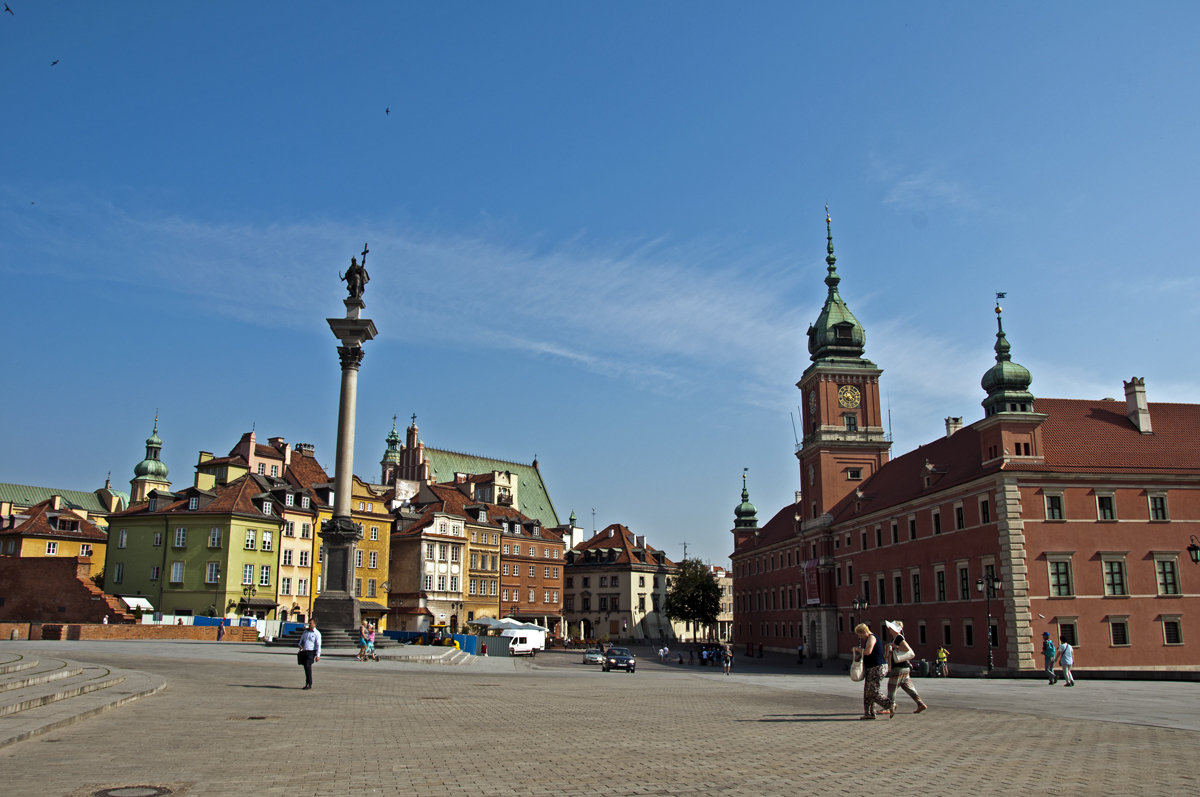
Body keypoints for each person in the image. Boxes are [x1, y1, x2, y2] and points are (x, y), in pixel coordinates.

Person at [883, 620, 928, 715]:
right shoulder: (896, 638)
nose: (889, 629)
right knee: (908, 687)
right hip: (905, 667)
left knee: (891, 687)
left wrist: (895, 646)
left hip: (899, 668)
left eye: (890, 628)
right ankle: (920, 704)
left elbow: (906, 648)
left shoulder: (898, 638)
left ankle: (890, 707)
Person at [853, 623, 892, 720]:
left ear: (865, 632)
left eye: (860, 635)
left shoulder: (872, 637)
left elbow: (868, 651)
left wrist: (857, 649)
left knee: (873, 691)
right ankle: (869, 713)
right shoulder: (868, 638)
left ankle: (890, 705)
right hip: (872, 667)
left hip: (877, 667)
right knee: (867, 692)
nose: (860, 637)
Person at [298, 618, 322, 690]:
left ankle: (309, 683)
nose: (309, 625)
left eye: (311, 623)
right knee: (305, 667)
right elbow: (301, 640)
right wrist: (299, 644)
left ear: (315, 624)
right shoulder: (305, 632)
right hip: (304, 651)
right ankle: (307, 682)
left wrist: (318, 655)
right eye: (309, 623)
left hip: (311, 652)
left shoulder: (317, 633)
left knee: (308, 666)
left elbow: (318, 645)